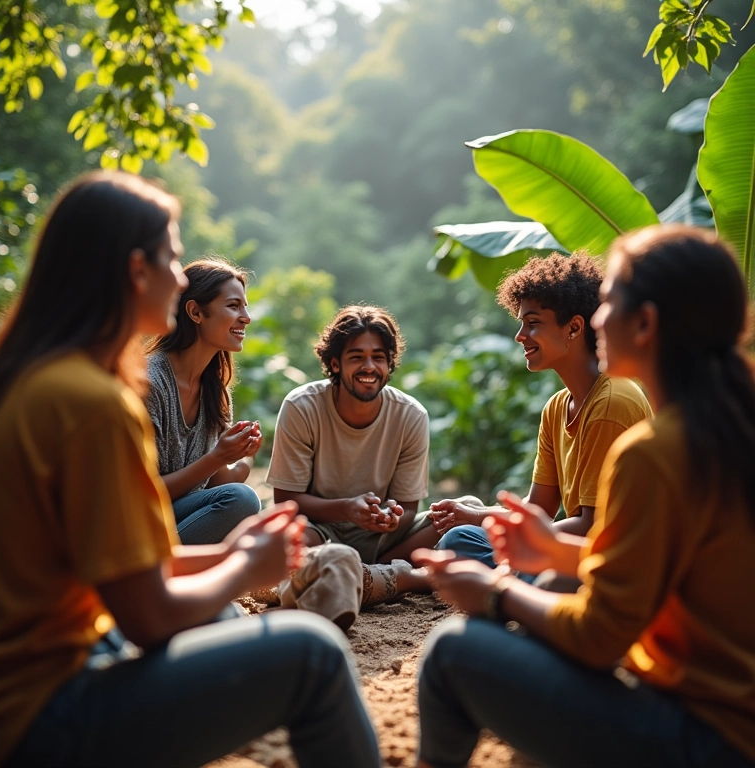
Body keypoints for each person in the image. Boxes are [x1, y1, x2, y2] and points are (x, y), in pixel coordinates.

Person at [0, 171, 379, 768]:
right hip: (39, 716)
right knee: (314, 654)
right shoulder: (95, 403)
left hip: (36, 678)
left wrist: (231, 554)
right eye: (171, 259)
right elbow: (147, 616)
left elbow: (118, 571)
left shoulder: (33, 377)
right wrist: (246, 566)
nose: (178, 278)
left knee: (220, 613)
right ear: (135, 271)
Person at [414, 225, 755, 768]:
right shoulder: (727, 424)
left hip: (708, 740)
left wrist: (496, 593)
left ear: (645, 324)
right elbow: (674, 568)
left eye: (609, 303)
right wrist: (550, 549)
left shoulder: (652, 449)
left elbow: (599, 635)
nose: (597, 319)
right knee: (545, 577)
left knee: (452, 651)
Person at [431, 253, 651, 569]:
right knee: (461, 539)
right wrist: (474, 515)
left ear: (574, 327)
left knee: (511, 565)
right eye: (521, 323)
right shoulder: (557, 407)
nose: (520, 335)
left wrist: (518, 544)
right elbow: (539, 509)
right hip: (568, 546)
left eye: (533, 323)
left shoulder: (612, 402)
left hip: (615, 559)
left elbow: (593, 527)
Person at [267, 304, 438, 603]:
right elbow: (286, 501)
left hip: (382, 540)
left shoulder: (411, 415)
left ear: (389, 365)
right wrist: (347, 509)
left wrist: (391, 518)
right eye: (357, 357)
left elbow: (409, 506)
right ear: (335, 364)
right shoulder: (301, 406)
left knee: (463, 511)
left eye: (378, 357)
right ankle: (378, 577)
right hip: (319, 532)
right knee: (284, 538)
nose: (369, 367)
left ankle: (361, 573)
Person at [144, 258, 262, 545]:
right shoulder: (149, 383)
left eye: (245, 306)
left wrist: (241, 454)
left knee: (245, 503)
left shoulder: (214, 390)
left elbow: (217, 481)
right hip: (135, 519)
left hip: (173, 518)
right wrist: (218, 456)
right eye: (234, 306)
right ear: (196, 312)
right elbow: (139, 494)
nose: (246, 317)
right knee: (243, 500)